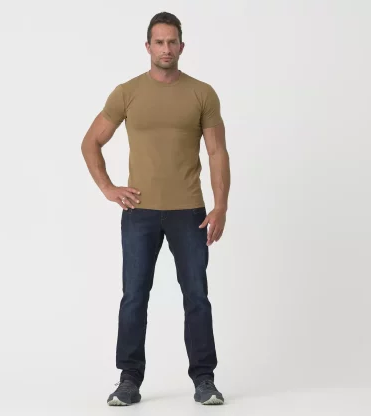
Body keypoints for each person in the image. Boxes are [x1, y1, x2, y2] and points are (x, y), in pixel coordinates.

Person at [81, 11, 230, 406]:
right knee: (134, 296)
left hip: (189, 212)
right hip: (140, 213)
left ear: (182, 46)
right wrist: (108, 187)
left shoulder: (202, 93)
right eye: (159, 42)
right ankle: (128, 380)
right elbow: (91, 141)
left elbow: (217, 152)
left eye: (172, 42)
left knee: (196, 296)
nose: (166, 48)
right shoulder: (127, 92)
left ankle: (204, 380)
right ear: (147, 46)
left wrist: (221, 206)